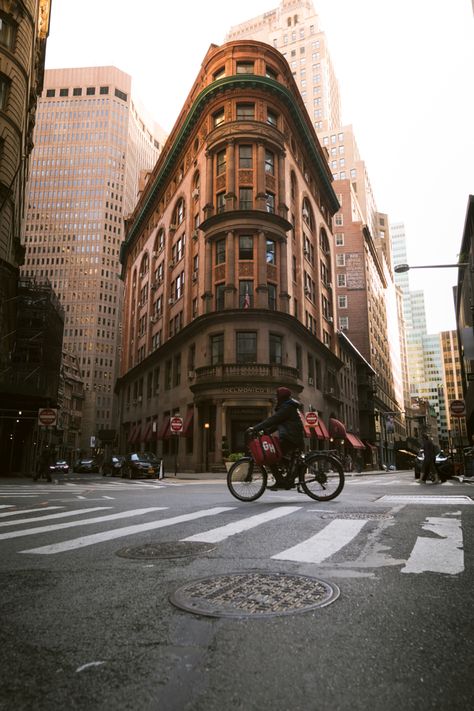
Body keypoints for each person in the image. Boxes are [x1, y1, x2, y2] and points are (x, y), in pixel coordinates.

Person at [247, 387, 305, 490]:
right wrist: (264, 432)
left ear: (281, 397)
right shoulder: (288, 406)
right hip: (292, 437)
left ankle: (281, 481)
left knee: (270, 456)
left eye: (277, 396)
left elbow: (273, 420)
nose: (276, 398)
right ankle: (290, 476)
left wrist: (255, 428)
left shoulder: (287, 407)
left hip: (291, 438)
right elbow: (277, 424)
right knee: (276, 455)